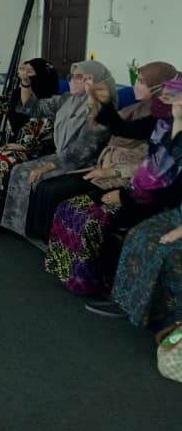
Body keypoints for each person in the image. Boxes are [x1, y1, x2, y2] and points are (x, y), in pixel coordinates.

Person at [43, 75, 182, 296]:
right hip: (137, 191)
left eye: (174, 96)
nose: (168, 100)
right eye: (168, 95)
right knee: (70, 207)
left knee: (93, 220)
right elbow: (121, 128)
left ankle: (99, 284)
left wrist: (124, 197)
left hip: (157, 203)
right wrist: (106, 103)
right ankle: (71, 274)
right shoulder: (160, 124)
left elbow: (171, 192)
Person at [26, 62, 178, 240]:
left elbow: (151, 165)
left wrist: (115, 180)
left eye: (142, 81)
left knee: (65, 201)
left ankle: (66, 255)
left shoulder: (163, 121)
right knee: (52, 192)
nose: (136, 84)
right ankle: (50, 246)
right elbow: (110, 124)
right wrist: (98, 100)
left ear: (159, 86)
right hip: (110, 170)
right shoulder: (141, 110)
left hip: (125, 178)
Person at [0, 59, 116, 237]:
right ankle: (19, 226)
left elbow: (81, 152)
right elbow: (33, 108)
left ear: (95, 81)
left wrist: (45, 167)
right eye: (72, 76)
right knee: (18, 170)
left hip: (82, 163)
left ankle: (37, 231)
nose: (71, 81)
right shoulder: (67, 99)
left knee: (34, 176)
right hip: (62, 156)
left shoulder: (101, 110)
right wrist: (25, 82)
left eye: (79, 77)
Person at [0, 58, 58, 228]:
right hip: (11, 148)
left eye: (29, 72)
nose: (24, 74)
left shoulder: (51, 104)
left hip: (36, 154)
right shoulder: (16, 95)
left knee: (3, 160)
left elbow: (53, 141)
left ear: (42, 76)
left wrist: (25, 148)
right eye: (24, 70)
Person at [101, 203, 182, 327]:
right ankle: (122, 299)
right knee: (136, 234)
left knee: (160, 249)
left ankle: (144, 312)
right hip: (178, 215)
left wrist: (178, 232)